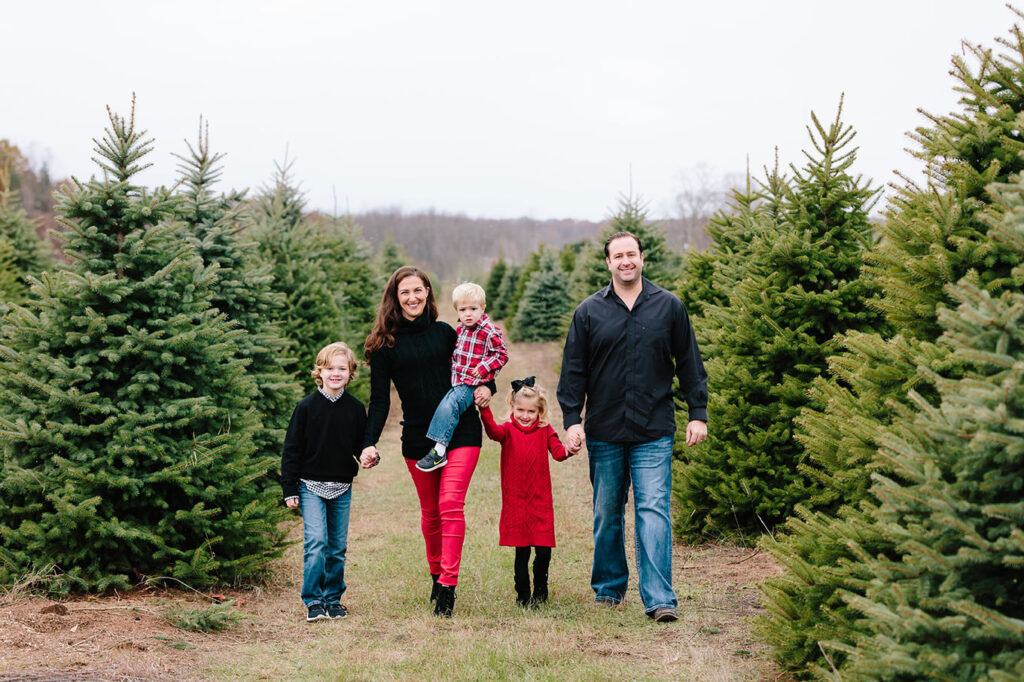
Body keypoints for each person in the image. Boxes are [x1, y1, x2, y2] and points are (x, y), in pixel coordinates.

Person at [557, 230, 708, 623]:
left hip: (654, 430)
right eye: (617, 256)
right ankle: (609, 589)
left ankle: (660, 599)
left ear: (642, 258)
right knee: (607, 512)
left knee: (653, 510)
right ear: (608, 263)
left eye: (631, 254)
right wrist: (572, 421)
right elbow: (573, 372)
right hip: (605, 430)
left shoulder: (669, 307)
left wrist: (697, 412)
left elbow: (689, 362)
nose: (625, 261)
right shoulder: (589, 312)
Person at [361, 266, 494, 618]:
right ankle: (436, 575)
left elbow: (478, 367)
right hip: (417, 436)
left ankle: (448, 586)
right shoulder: (383, 344)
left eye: (418, 290)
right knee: (431, 513)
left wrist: (487, 387)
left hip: (461, 431)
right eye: (405, 292)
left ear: (428, 293)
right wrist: (368, 442)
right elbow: (379, 401)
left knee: (450, 503)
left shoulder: (446, 333)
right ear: (395, 297)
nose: (412, 297)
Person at [281, 342, 371, 623]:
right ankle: (313, 601)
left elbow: (360, 446)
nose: (336, 373)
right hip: (310, 485)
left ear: (350, 373)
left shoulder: (355, 409)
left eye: (342, 368)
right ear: (319, 371)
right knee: (316, 542)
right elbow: (292, 450)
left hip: (342, 486)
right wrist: (289, 489)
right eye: (330, 368)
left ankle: (332, 599)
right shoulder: (306, 407)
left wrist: (369, 455)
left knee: (337, 546)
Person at [480, 376, 571, 607]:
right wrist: (485, 410)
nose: (525, 415)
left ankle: (541, 591)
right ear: (512, 406)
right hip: (517, 502)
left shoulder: (545, 430)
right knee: (521, 553)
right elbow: (493, 433)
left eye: (531, 411)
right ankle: (523, 595)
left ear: (540, 412)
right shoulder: (508, 430)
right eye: (520, 409)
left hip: (540, 501)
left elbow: (558, 453)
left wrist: (570, 448)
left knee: (543, 552)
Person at [416, 281, 509, 472]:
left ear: (482, 308)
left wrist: (483, 367)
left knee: (450, 406)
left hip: (471, 383)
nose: (468, 314)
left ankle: (439, 450)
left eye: (473, 309)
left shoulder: (488, 330)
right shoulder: (460, 330)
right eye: (462, 309)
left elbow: (502, 354)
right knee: (448, 405)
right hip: (458, 382)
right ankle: (438, 449)